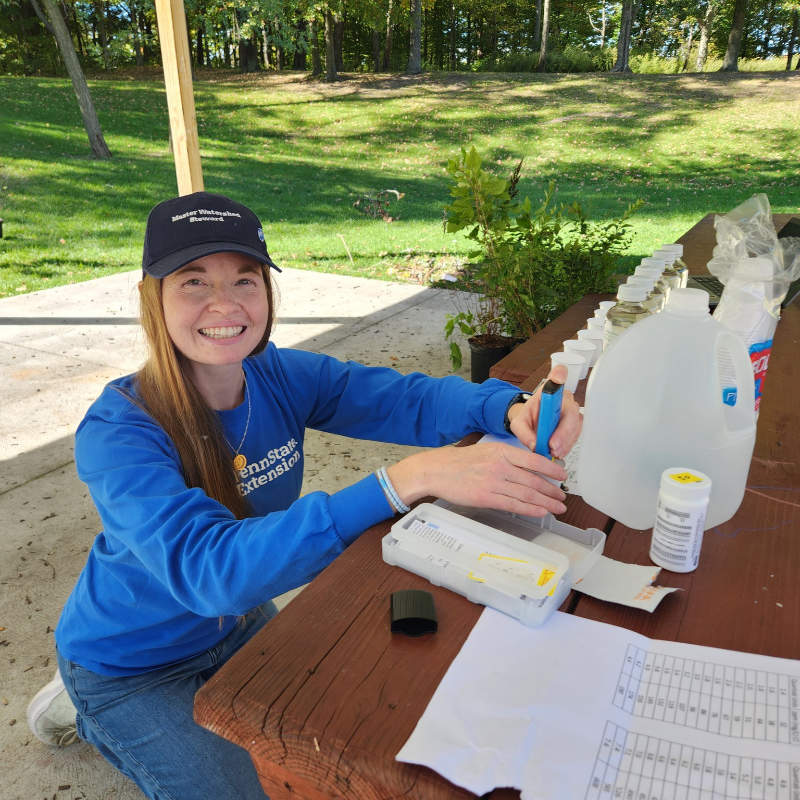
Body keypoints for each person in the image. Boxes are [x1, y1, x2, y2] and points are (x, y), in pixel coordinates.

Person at [26, 191, 580, 800]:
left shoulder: (277, 376)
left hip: (233, 626)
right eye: (193, 282)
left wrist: (509, 406)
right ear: (151, 298)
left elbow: (401, 398)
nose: (225, 303)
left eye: (245, 279)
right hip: (132, 662)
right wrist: (406, 481)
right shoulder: (118, 430)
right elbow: (211, 573)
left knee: (347, 728)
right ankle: (81, 703)